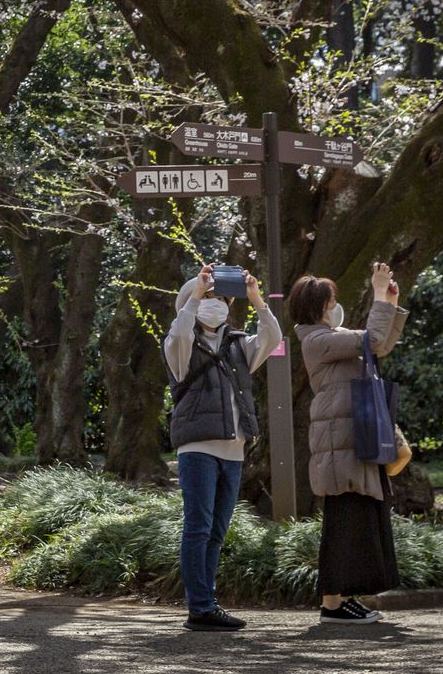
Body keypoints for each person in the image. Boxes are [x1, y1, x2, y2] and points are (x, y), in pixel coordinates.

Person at [163, 263, 283, 631]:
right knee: (198, 528)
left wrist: (257, 298)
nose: (217, 304)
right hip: (197, 447)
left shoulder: (238, 345)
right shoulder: (180, 346)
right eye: (209, 298)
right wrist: (196, 292)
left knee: (216, 530)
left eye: (221, 298)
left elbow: (272, 337)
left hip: (234, 449)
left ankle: (206, 605)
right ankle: (199, 607)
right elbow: (179, 332)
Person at [295, 261, 410, 624]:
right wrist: (377, 295)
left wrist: (389, 305)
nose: (334, 307)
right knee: (344, 520)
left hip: (350, 438)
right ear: (317, 307)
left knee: (356, 519)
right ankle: (333, 604)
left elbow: (380, 347)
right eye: (330, 302)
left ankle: (339, 601)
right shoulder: (317, 340)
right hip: (339, 442)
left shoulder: (335, 337)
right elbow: (372, 340)